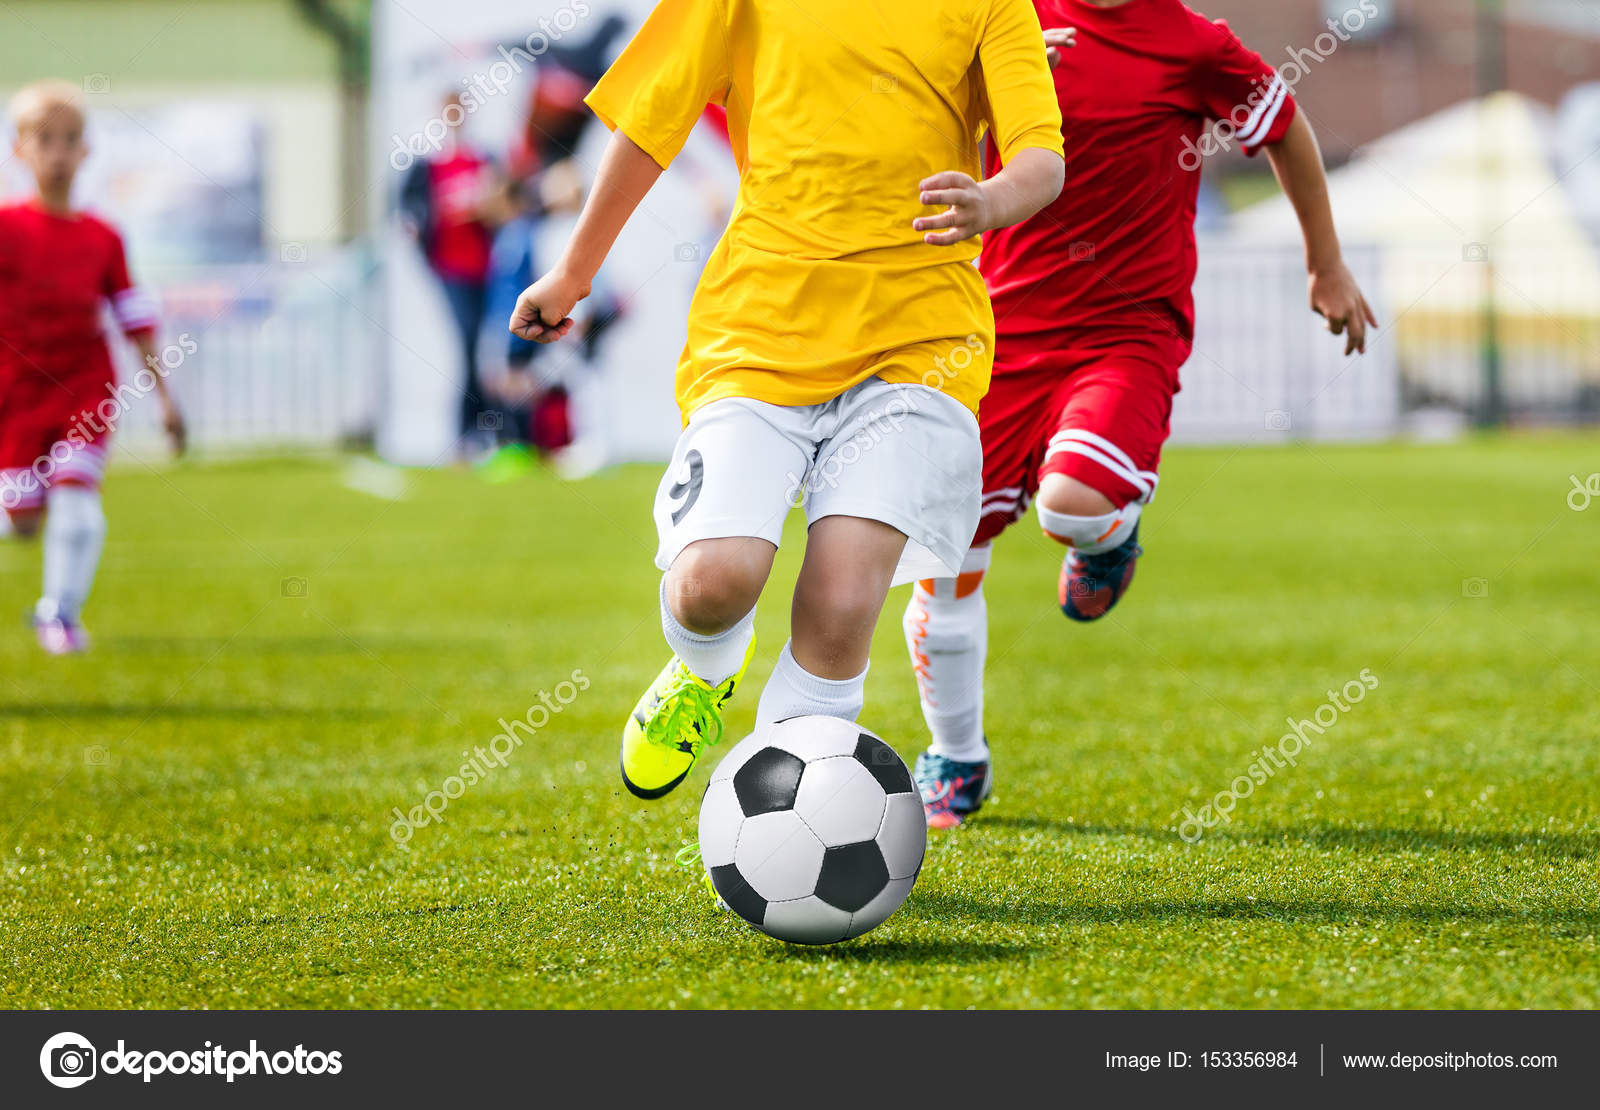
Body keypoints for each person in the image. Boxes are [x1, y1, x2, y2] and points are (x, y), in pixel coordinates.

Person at [510, 0, 1066, 799]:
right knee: (711, 587)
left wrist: (993, 200)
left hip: (920, 343)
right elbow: (649, 121)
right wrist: (574, 272)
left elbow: (1041, 158)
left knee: (841, 608)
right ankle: (705, 666)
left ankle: (781, 819)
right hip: (759, 331)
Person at [904, 0, 1380, 827]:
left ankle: (1108, 540)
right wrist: (982, 78)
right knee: (944, 558)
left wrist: (1326, 263)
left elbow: (1286, 127)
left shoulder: (1194, 45)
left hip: (1124, 334)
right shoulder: (1008, 20)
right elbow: (910, 111)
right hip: (995, 337)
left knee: (1071, 505)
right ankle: (957, 758)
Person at [0, 80, 186, 654]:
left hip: (84, 388)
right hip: (14, 395)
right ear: (20, 150)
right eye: (45, 139)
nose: (58, 152)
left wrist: (164, 396)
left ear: (86, 150)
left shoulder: (103, 237)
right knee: (22, 519)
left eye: (70, 139)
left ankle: (59, 614)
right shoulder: (6, 227)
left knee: (77, 498)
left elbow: (134, 317)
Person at [399, 93, 503, 455]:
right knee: (468, 341)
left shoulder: (485, 161)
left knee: (488, 348)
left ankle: (486, 430)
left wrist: (484, 208)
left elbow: (506, 207)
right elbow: (407, 211)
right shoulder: (426, 167)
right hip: (450, 268)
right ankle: (468, 431)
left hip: (488, 268)